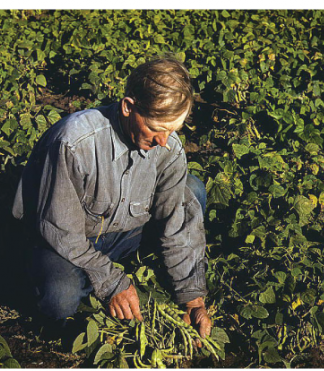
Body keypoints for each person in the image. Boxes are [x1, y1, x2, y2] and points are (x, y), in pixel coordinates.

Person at [13, 57, 212, 339]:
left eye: (172, 130)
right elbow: (61, 232)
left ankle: (114, 275)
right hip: (65, 239)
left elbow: (176, 223)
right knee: (60, 299)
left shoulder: (168, 147)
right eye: (156, 129)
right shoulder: (74, 143)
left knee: (190, 191)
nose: (163, 141)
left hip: (125, 232)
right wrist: (111, 283)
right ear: (128, 107)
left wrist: (192, 298)